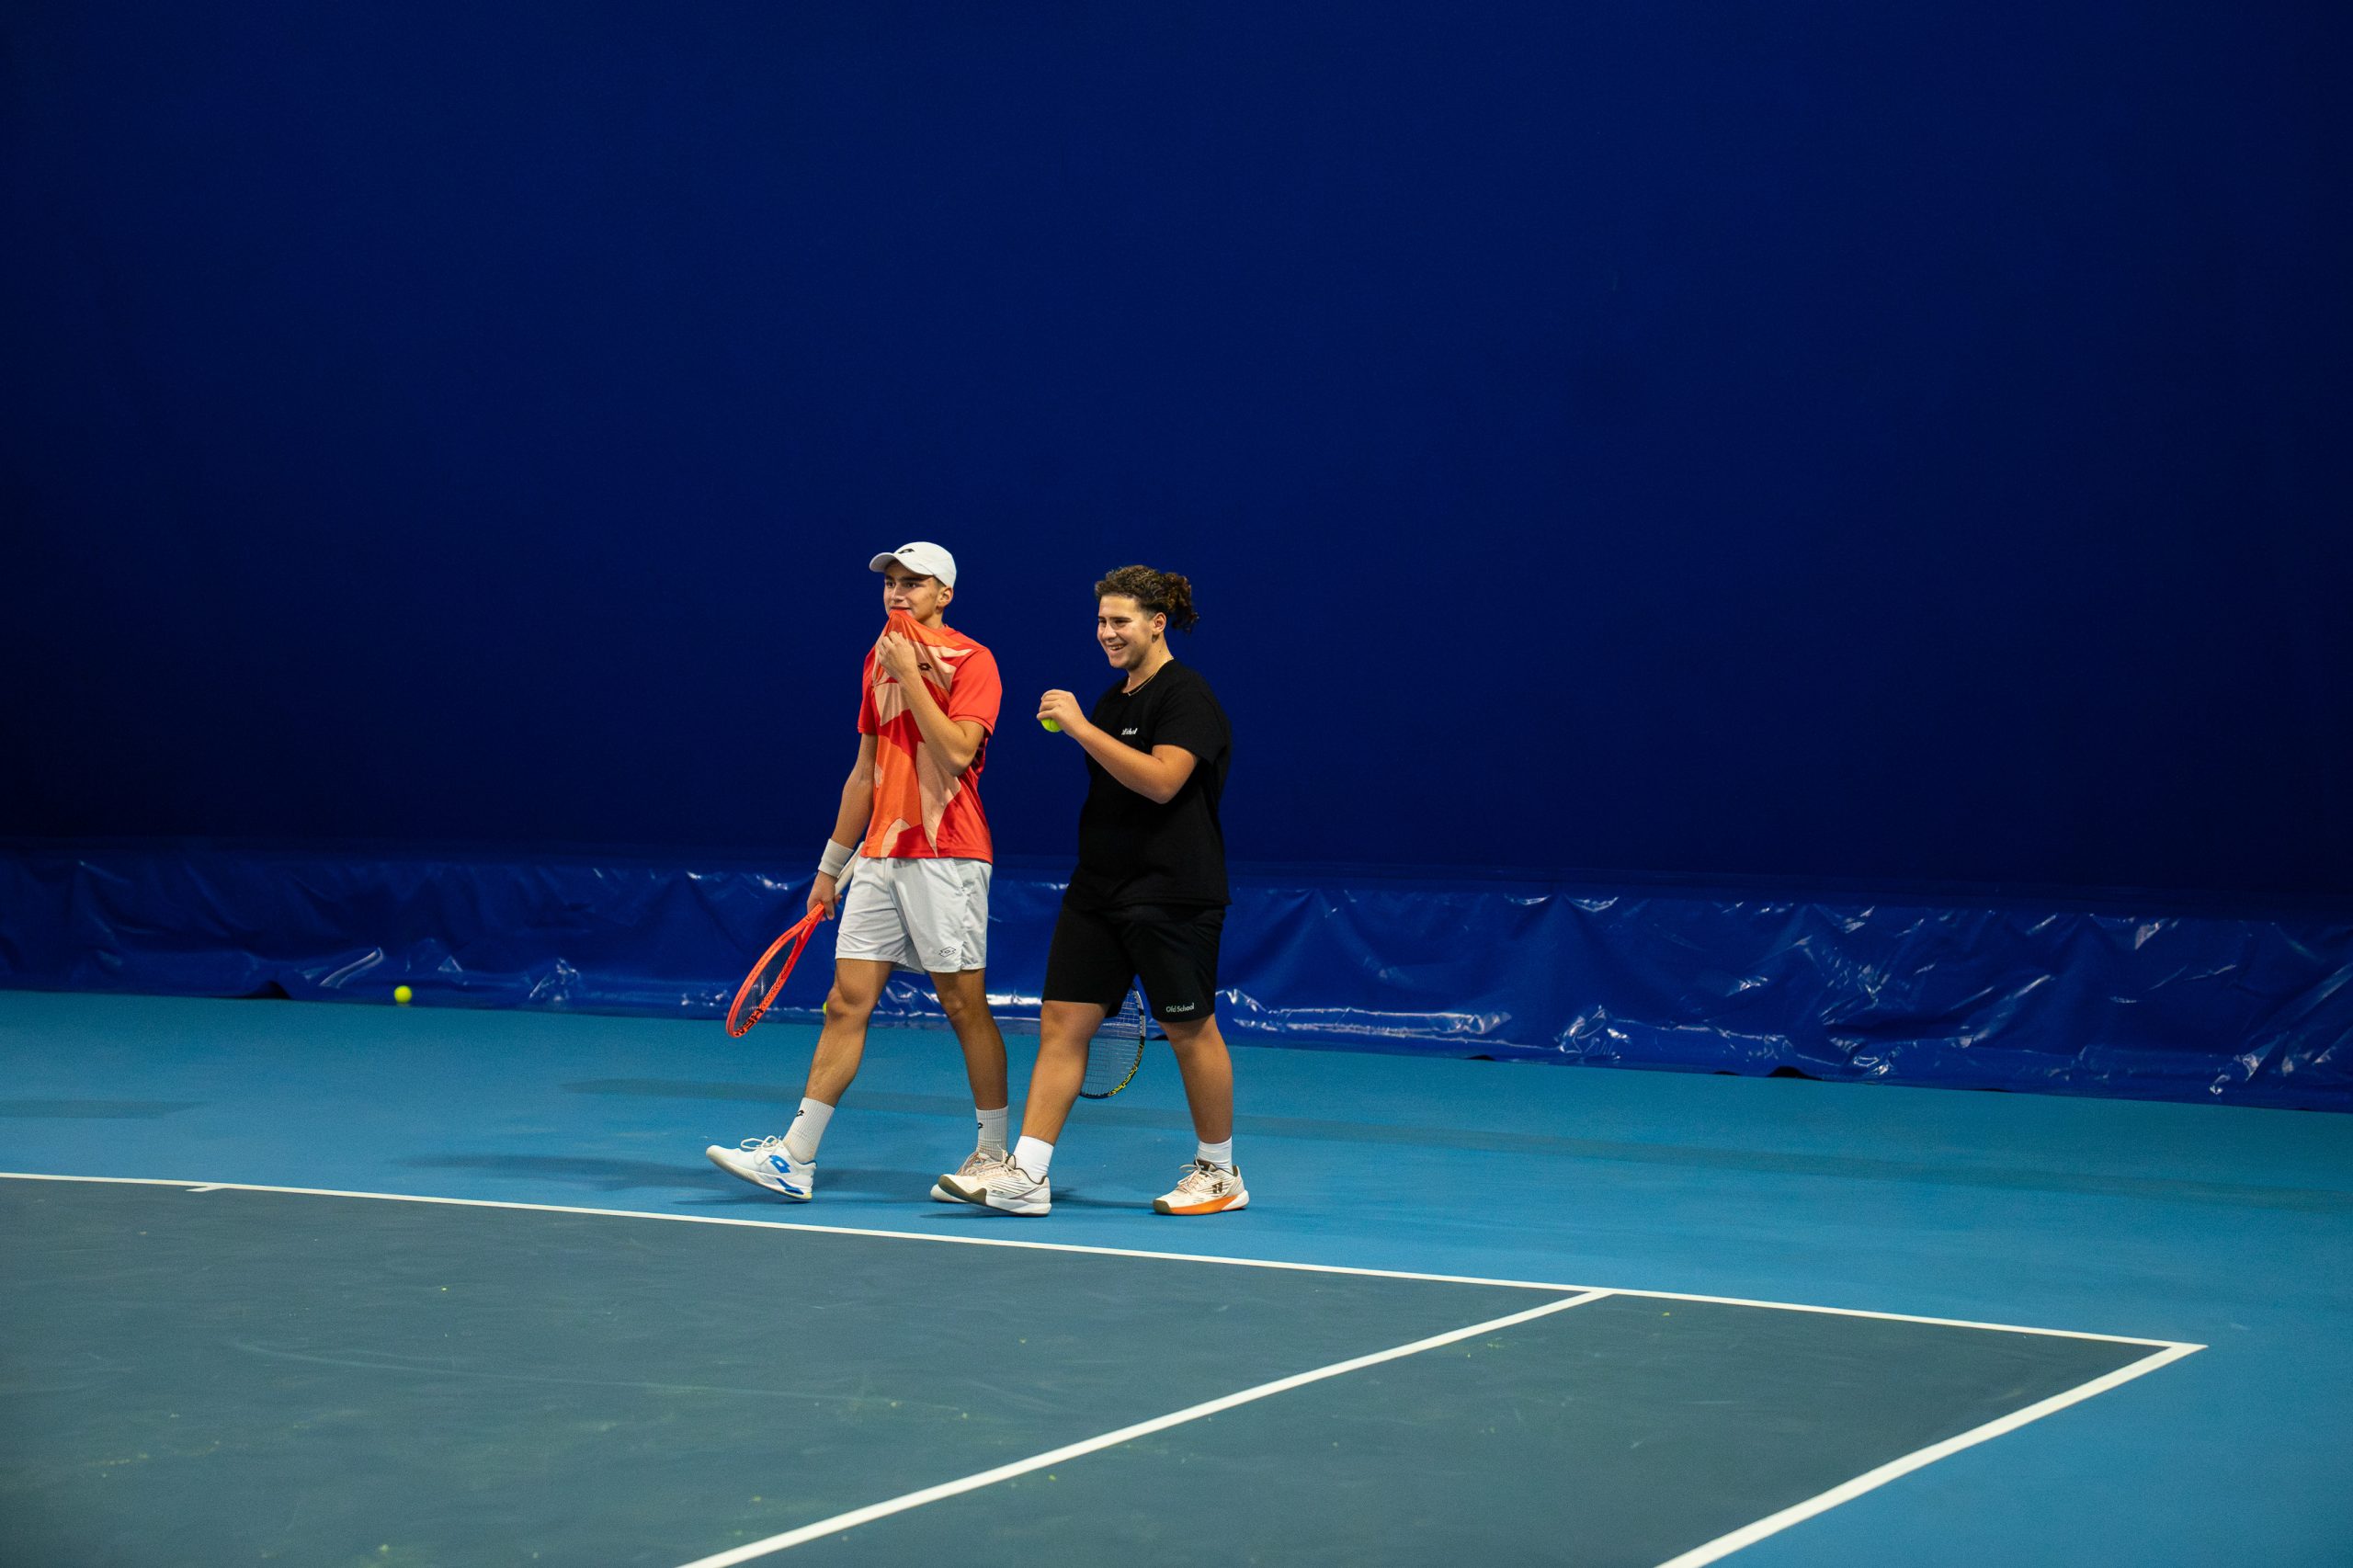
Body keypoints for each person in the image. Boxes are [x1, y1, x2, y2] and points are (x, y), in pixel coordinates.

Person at [706, 541, 1011, 1202]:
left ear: (944, 595)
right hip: (878, 856)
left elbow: (958, 754)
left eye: (914, 583)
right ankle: (795, 1157)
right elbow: (864, 771)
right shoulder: (877, 659)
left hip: (948, 854)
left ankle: (993, 1155)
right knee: (846, 1002)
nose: (898, 592)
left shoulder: (973, 660)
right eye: (890, 582)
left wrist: (911, 675)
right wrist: (830, 866)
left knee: (964, 1006)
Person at [941, 564, 1242, 1217]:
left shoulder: (1186, 695)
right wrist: (1091, 724)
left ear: (1157, 624)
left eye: (1120, 621)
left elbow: (1163, 781)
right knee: (1061, 1023)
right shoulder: (1111, 702)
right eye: (1101, 621)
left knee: (1188, 1029)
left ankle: (1220, 1172)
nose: (1107, 632)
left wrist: (1079, 727)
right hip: (1098, 891)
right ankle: (1028, 1174)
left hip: (1172, 894)